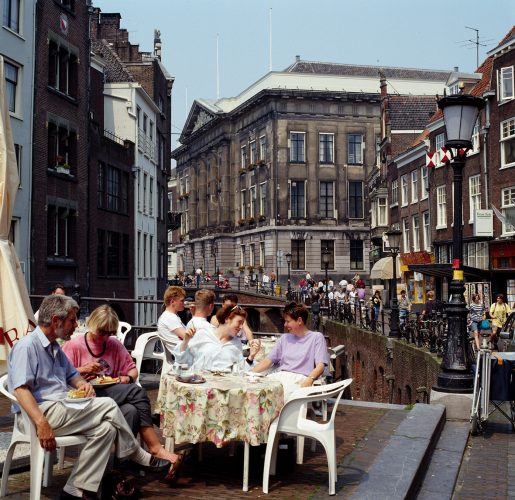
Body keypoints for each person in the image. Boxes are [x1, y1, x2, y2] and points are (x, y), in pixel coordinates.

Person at [8, 295, 170, 500]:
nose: (76, 325)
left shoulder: (54, 347)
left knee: (107, 428)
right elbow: (21, 390)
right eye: (72, 321)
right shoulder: (27, 346)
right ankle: (135, 453)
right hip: (41, 413)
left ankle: (74, 491)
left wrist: (82, 383)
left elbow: (72, 375)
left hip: (62, 407)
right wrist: (41, 423)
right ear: (56, 321)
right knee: (109, 404)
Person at [62, 305, 184, 477]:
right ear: (92, 325)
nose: (105, 337)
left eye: (109, 333)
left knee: (131, 411)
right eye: (101, 332)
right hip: (86, 396)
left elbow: (133, 371)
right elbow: (62, 374)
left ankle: (121, 469)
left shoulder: (113, 344)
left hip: (111, 394)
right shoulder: (74, 345)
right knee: (137, 393)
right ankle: (155, 448)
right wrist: (84, 369)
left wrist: (126, 378)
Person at [252, 302, 329, 400]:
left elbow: (320, 365)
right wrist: (250, 372)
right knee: (258, 393)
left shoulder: (316, 337)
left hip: (300, 379)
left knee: (281, 398)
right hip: (280, 377)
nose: (285, 325)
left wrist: (310, 379)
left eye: (288, 321)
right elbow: (268, 361)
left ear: (299, 320)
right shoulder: (284, 338)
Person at [174, 304, 261, 371]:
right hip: (200, 384)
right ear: (227, 319)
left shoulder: (236, 343)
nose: (241, 327)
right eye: (239, 322)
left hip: (222, 387)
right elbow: (181, 359)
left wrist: (251, 356)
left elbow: (239, 370)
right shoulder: (203, 334)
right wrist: (186, 340)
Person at [157, 286, 196, 356]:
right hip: (184, 354)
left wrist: (193, 315)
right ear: (172, 302)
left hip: (185, 351)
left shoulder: (172, 316)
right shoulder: (169, 318)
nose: (184, 303)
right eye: (182, 301)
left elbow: (190, 333)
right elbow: (188, 336)